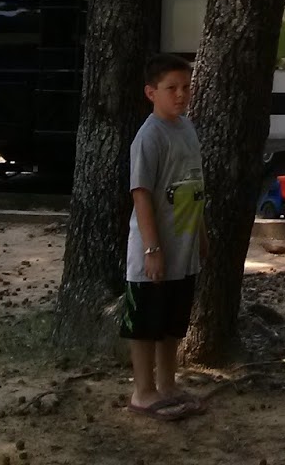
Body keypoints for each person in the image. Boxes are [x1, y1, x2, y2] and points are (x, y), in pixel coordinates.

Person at [121, 53, 207, 420]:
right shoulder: (149, 136)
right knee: (146, 323)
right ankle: (143, 392)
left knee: (173, 321)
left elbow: (194, 186)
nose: (181, 95)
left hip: (184, 246)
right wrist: (152, 248)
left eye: (186, 87)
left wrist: (201, 233)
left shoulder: (187, 128)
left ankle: (168, 384)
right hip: (154, 249)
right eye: (171, 88)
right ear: (151, 92)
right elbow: (141, 193)